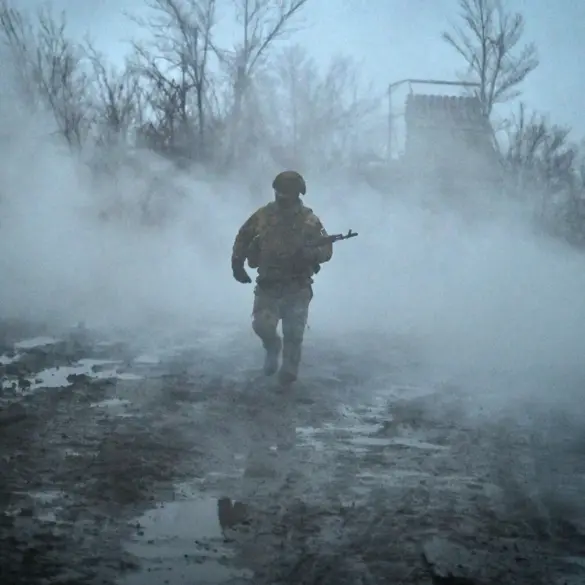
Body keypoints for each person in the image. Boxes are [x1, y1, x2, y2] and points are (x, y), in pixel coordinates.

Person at [231, 171, 333, 385]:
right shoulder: (263, 215)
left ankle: (288, 377)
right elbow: (243, 236)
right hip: (268, 285)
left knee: (294, 334)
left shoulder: (309, 220)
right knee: (262, 325)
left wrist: (310, 254)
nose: (282, 197)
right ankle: (272, 347)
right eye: (279, 192)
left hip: (297, 286)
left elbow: (326, 249)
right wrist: (237, 264)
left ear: (298, 193)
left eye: (287, 193)